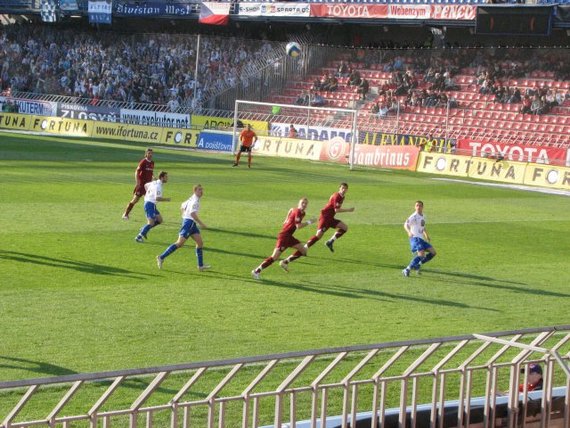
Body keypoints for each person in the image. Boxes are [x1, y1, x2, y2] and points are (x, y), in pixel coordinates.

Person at [280, 183, 354, 270]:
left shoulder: (342, 196)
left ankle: (330, 241)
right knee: (318, 236)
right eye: (342, 188)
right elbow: (336, 210)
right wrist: (348, 210)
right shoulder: (337, 196)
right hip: (325, 218)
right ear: (339, 188)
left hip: (330, 218)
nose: (344, 190)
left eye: (345, 189)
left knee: (344, 227)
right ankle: (304, 248)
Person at [251, 198, 316, 280]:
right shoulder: (298, 212)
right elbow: (298, 226)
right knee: (274, 257)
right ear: (298, 203)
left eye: (305, 203)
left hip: (289, 236)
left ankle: (285, 262)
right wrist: (309, 222)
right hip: (284, 236)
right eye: (302, 203)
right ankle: (256, 271)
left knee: (303, 250)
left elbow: (291, 209)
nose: (304, 204)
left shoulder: (302, 212)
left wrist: (286, 219)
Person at [156, 184, 210, 272]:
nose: (201, 192)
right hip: (189, 224)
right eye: (200, 190)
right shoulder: (195, 201)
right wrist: (201, 224)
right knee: (179, 243)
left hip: (191, 224)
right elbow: (192, 214)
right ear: (195, 191)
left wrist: (184, 215)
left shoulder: (191, 198)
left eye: (202, 190)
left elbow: (182, 206)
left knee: (200, 243)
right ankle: (161, 257)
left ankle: (200, 266)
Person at [402, 200, 436, 277]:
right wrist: (409, 232)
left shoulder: (423, 216)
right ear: (415, 207)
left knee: (433, 252)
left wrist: (426, 235)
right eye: (417, 205)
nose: (418, 207)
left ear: (422, 207)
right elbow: (405, 224)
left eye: (420, 205)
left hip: (421, 239)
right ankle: (407, 269)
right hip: (415, 238)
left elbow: (422, 227)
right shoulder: (413, 216)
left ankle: (418, 264)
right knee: (421, 254)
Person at [135, 171, 170, 243]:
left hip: (151, 204)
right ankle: (139, 237)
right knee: (151, 223)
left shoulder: (154, 182)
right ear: (162, 177)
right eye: (166, 177)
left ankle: (144, 229)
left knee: (160, 220)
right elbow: (157, 198)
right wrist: (166, 199)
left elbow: (145, 185)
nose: (167, 178)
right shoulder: (158, 186)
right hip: (150, 204)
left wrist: (148, 194)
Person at [122, 148, 155, 220]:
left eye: (151, 153)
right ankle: (125, 214)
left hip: (148, 186)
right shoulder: (143, 161)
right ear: (146, 154)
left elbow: (151, 172)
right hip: (142, 184)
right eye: (149, 153)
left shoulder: (152, 163)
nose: (150, 154)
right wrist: (137, 182)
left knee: (151, 200)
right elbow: (137, 171)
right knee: (135, 200)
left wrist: (153, 178)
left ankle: (152, 216)